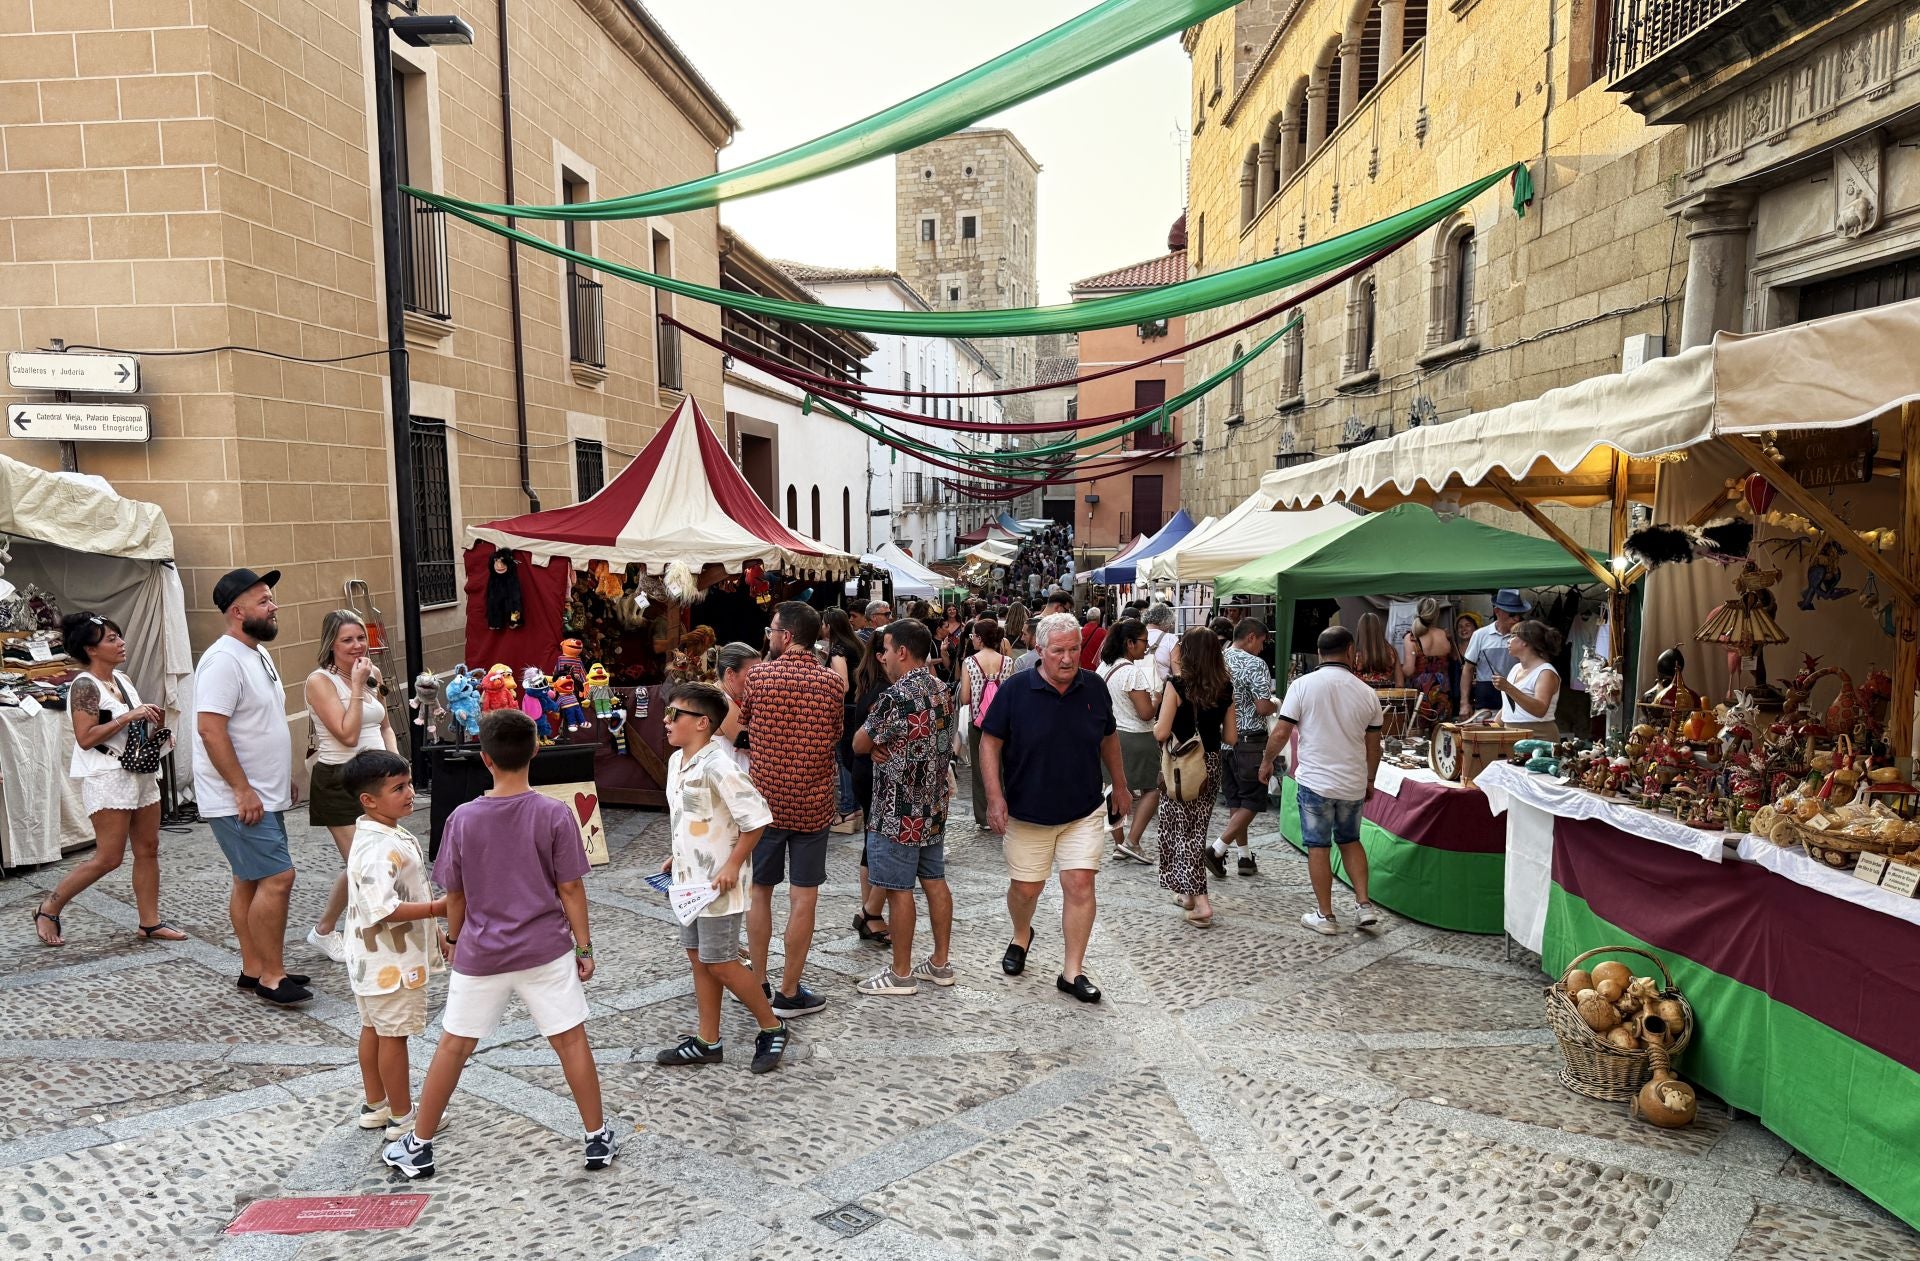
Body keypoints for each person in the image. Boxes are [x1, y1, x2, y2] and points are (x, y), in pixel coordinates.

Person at [383, 708, 616, 1179]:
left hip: (482, 952)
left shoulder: (463, 819)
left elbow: (455, 894)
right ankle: (596, 1138)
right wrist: (584, 948)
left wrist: (451, 936)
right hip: (545, 949)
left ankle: (419, 1143)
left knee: (453, 1046)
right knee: (570, 1041)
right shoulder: (554, 813)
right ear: (535, 751)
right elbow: (571, 888)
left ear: (484, 759)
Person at [979, 613, 1131, 1005]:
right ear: (1040, 651)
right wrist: (995, 798)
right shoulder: (1015, 689)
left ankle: (1072, 971)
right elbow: (989, 743)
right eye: (1058, 651)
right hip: (1027, 811)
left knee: (1080, 883)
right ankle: (1021, 934)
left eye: (1074, 649)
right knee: (1026, 889)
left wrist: (1121, 786)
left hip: (1083, 808)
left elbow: (1109, 738)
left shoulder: (1095, 687)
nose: (1067, 658)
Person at [652, 683, 790, 1073]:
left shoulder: (721, 766)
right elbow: (693, 818)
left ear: (701, 723)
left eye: (674, 714)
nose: (666, 720)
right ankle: (707, 1040)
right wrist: (676, 855)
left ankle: (772, 1026)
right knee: (699, 959)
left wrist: (732, 865)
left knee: (722, 961)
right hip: (688, 882)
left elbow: (757, 819)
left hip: (719, 886)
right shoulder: (677, 761)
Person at [34, 613, 184, 946]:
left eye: (119, 636)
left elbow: (125, 728)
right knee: (109, 857)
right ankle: (49, 907)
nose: (121, 643)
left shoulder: (123, 680)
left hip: (139, 774)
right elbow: (85, 737)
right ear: (91, 649)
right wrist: (130, 715)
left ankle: (149, 922)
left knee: (148, 849)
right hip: (108, 777)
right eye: (111, 639)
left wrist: (152, 728)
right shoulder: (85, 685)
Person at [194, 568, 308, 1005]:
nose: (274, 606)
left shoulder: (256, 653)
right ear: (237, 611)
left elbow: (264, 724)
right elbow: (211, 731)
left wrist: (283, 781)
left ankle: (253, 966)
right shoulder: (223, 660)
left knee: (249, 879)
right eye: (264, 600)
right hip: (238, 797)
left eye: (271, 598)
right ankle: (272, 978)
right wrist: (242, 789)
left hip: (262, 791)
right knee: (279, 877)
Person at [740, 600, 843, 1018]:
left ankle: (759, 980)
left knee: (760, 892)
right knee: (804, 898)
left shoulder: (760, 677)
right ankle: (789, 990)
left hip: (764, 804)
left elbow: (744, 722)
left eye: (771, 630)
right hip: (812, 802)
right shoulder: (832, 683)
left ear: (784, 635)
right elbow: (835, 733)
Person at [339, 748, 444, 1140]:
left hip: (372, 960)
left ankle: (376, 1104)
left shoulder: (381, 832)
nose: (409, 793)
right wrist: (438, 908)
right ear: (369, 800)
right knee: (392, 1036)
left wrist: (435, 935)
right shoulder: (378, 847)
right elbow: (382, 908)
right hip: (389, 962)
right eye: (398, 788)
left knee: (373, 1029)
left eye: (410, 784)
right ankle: (402, 1116)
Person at [852, 619, 957, 996]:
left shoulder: (896, 696)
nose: (883, 657)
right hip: (932, 804)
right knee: (934, 881)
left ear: (902, 651)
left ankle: (901, 973)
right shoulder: (943, 690)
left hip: (897, 807)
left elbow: (859, 743)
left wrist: (880, 746)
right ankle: (941, 964)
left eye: (888, 648)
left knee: (898, 890)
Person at [1259, 627, 1384, 936]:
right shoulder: (1367, 692)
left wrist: (1266, 760)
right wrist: (1370, 778)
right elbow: (1374, 746)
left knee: (1318, 847)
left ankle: (1326, 916)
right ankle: (1364, 905)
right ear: (1350, 650)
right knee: (1350, 840)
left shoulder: (1302, 686)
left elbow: (1281, 732)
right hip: (1352, 781)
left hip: (1316, 781)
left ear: (1319, 652)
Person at [304, 609, 399, 963]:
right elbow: (347, 733)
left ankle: (337, 929)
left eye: (361, 638)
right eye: (347, 640)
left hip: (377, 779)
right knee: (362, 864)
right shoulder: (320, 682)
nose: (357, 646)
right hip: (340, 780)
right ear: (332, 645)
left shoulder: (371, 672)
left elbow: (385, 725)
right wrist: (357, 688)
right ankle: (329, 930)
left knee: (375, 859)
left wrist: (397, 767)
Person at [1154, 629, 1235, 928]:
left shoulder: (1175, 686)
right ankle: (1188, 896)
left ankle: (1201, 903)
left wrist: (1157, 729)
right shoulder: (1225, 686)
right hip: (1211, 764)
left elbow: (1162, 733)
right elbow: (1231, 736)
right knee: (1195, 829)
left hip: (1180, 765)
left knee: (1181, 831)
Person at [1209, 618, 1277, 879]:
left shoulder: (1218, 659)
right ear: (1251, 637)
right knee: (1253, 798)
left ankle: (1244, 856)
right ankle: (1217, 849)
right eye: (1261, 642)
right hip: (1250, 740)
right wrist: (1276, 703)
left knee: (1236, 799)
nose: (1262, 648)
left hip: (1224, 740)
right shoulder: (1255, 664)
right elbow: (1262, 706)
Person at [843, 635, 893, 947]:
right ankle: (871, 912)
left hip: (867, 771)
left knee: (873, 842)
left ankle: (868, 913)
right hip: (874, 773)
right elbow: (862, 739)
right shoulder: (885, 691)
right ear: (880, 655)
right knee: (887, 845)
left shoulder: (872, 685)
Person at [1098, 619, 1159, 864]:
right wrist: (1158, 699)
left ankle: (1119, 843)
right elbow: (1145, 713)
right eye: (1144, 641)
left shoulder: (1103, 668)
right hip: (1137, 737)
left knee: (1114, 790)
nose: (1146, 646)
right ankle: (1132, 841)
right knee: (1153, 789)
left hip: (1110, 737)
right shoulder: (1132, 672)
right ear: (1130, 643)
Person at [956, 617, 1016, 827]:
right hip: (1004, 724)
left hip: (978, 723)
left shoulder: (970, 662)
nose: (972, 639)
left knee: (981, 770)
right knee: (1004, 767)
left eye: (973, 635)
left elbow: (964, 698)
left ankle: (984, 816)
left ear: (979, 638)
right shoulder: (1007, 661)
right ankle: (1007, 809)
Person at [822, 608, 865, 833]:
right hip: (857, 706)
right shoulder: (856, 644)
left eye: (823, 623)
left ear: (830, 626)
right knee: (852, 756)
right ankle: (854, 807)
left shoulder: (839, 649)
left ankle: (848, 808)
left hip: (845, 708)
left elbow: (842, 684)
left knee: (844, 758)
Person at [1460, 589, 1530, 714]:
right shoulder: (1480, 635)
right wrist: (1464, 703)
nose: (1516, 618)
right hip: (1486, 706)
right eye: (1512, 614)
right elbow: (1468, 669)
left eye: (1519, 614)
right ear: (1497, 611)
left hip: (1518, 704)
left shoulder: (1525, 636)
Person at [1494, 619, 1565, 733]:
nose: (1508, 641)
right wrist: (1490, 727)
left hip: (1537, 734)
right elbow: (1509, 707)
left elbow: (1540, 710)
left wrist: (1508, 688)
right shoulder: (1515, 669)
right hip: (1510, 733)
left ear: (1525, 641)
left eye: (1513, 636)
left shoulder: (1545, 672)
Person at [1400, 597, 1456, 724]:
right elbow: (1453, 659)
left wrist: (1397, 670)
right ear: (1437, 614)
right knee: (1441, 734)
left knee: (1419, 737)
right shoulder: (1445, 635)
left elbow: (1409, 670)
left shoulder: (1412, 637)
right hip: (1443, 691)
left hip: (1421, 694)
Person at [714, 641, 759, 770]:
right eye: (752, 675)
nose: (758, 680)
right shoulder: (724, 705)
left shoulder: (719, 695)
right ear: (730, 674)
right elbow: (757, 749)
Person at [1353, 612, 1401, 688]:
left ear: (1360, 630)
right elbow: (1400, 684)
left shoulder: (1353, 654)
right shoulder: (1391, 651)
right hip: (1384, 698)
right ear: (1379, 629)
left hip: (1361, 697)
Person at [1143, 604, 1179, 681]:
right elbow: (1177, 672)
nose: (1170, 626)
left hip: (1137, 688)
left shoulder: (1136, 635)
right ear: (1165, 621)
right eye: (1171, 623)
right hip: (1162, 688)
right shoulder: (1170, 639)